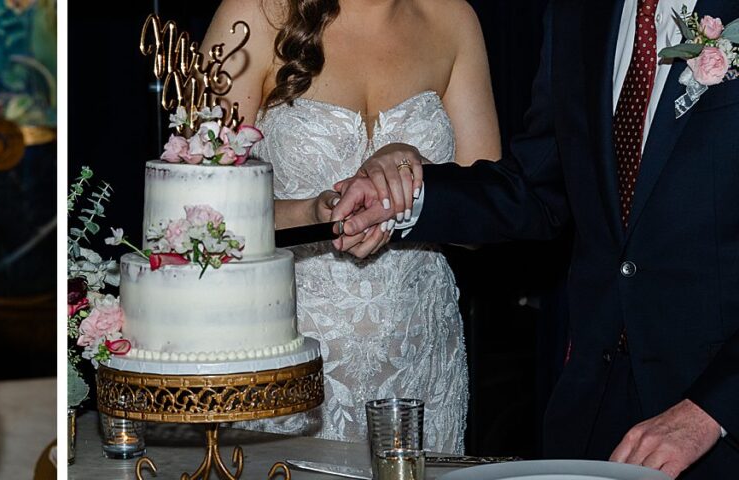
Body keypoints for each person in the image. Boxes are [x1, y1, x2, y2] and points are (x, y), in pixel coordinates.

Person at [329, 0, 739, 478]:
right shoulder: (577, 15)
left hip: (716, 419)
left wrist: (713, 408)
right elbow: (536, 188)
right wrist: (405, 201)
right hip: (595, 406)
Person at [197, 0, 501, 451]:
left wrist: (413, 179)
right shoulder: (254, 13)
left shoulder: (452, 17)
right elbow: (197, 214)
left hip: (419, 358)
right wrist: (312, 214)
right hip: (288, 355)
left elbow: (491, 216)